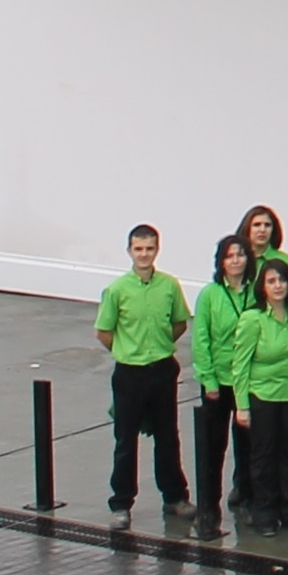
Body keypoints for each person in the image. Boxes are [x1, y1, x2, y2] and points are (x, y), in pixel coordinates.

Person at [90, 222, 191, 529]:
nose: (144, 254)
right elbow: (103, 331)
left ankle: (174, 497)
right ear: (129, 251)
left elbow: (180, 323)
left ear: (157, 250)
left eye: (149, 249)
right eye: (138, 249)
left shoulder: (169, 285)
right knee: (125, 440)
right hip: (129, 373)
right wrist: (127, 351)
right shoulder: (117, 290)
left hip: (162, 369)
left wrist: (159, 346)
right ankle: (121, 503)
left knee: (168, 436)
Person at [228, 256, 288, 532]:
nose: (278, 286)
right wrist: (242, 405)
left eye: (282, 280)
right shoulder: (252, 319)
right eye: (271, 281)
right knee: (263, 457)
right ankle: (264, 512)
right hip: (262, 396)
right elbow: (240, 365)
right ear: (262, 287)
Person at [186, 232, 256, 539]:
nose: (236, 260)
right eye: (230, 256)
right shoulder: (210, 295)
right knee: (213, 448)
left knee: (249, 447)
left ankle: (249, 500)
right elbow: (201, 339)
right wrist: (208, 379)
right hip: (218, 381)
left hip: (249, 381)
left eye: (240, 254)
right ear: (221, 262)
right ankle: (208, 511)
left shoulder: (256, 291)